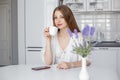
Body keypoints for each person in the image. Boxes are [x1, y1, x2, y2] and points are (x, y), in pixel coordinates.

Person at [43, 5, 90, 69]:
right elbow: (48, 63)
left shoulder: (78, 37)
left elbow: (87, 61)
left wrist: (70, 64)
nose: (58, 20)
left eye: (61, 17)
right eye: (55, 18)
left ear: (68, 18)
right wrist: (48, 40)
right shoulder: (52, 37)